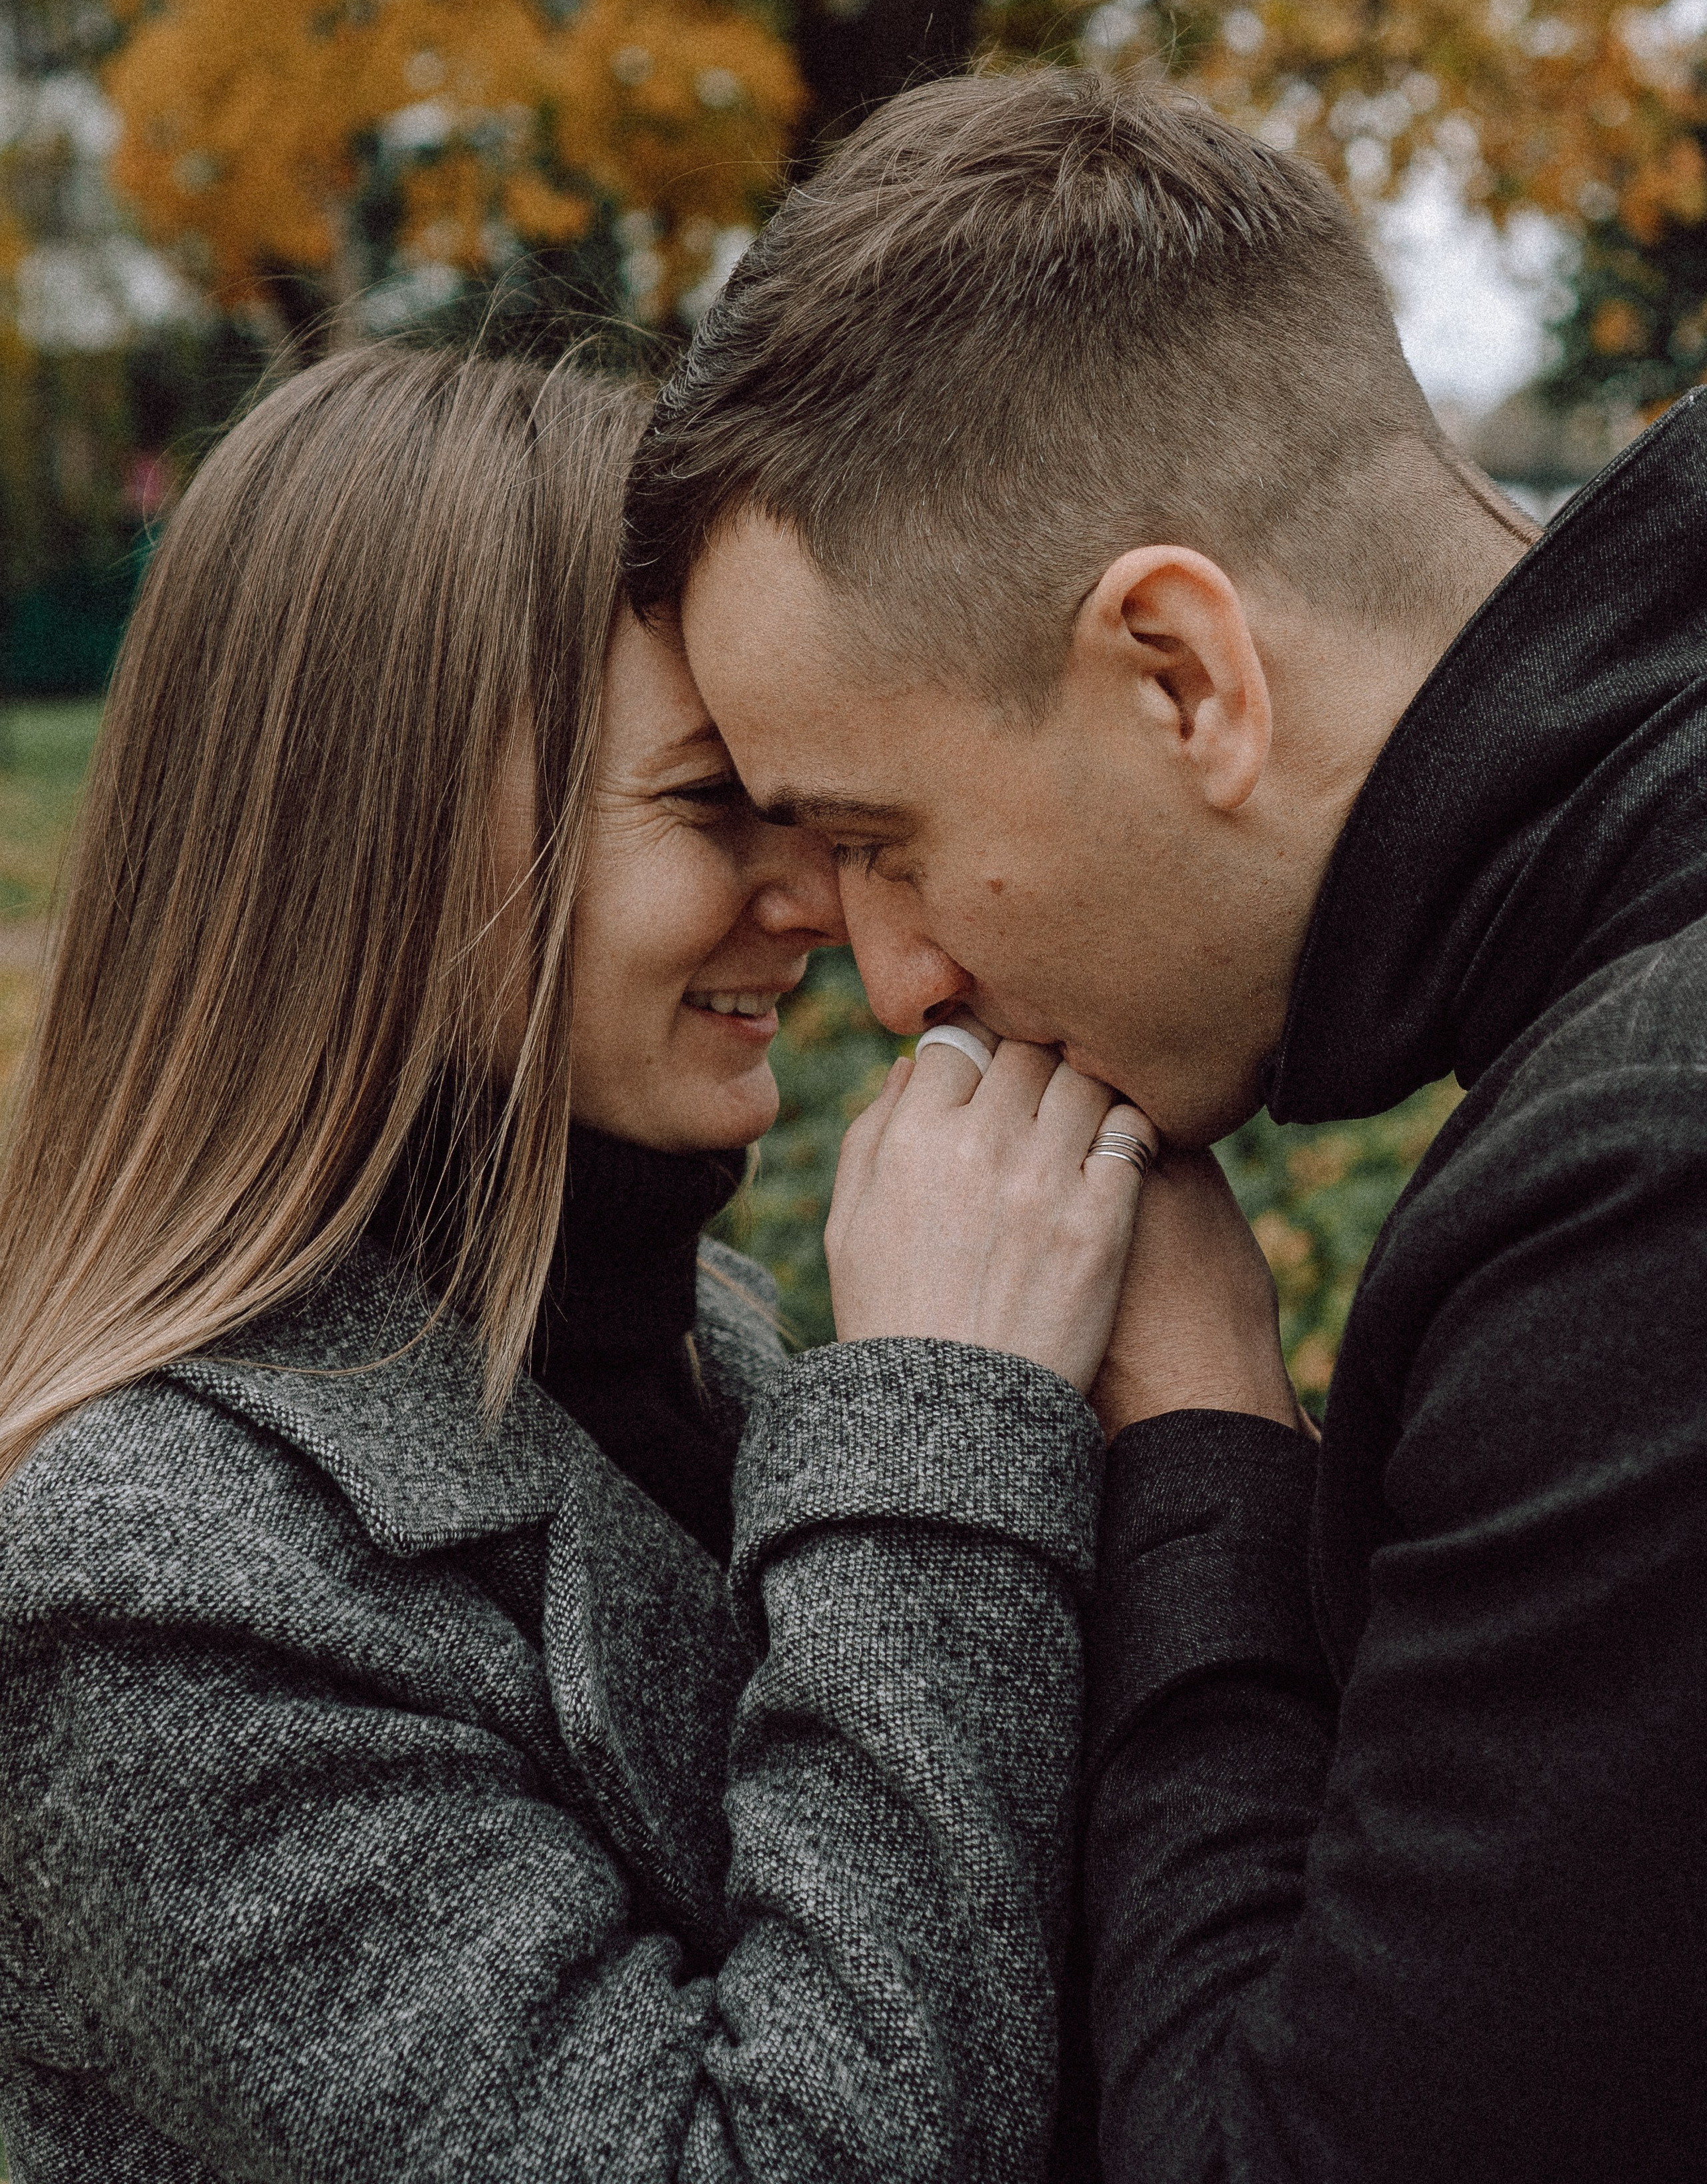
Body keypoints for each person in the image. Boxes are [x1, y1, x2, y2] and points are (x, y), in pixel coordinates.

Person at [623, 65, 1707, 2183]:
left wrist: (1199, 1434)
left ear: (1185, 675)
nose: (895, 980)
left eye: (879, 838)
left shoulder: (1644, 1201)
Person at [0, 341, 1154, 2181]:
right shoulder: (163, 1575)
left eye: (803, 804)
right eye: (710, 806)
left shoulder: (703, 1353)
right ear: (383, 842)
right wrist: (945, 1430)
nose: (820, 904)